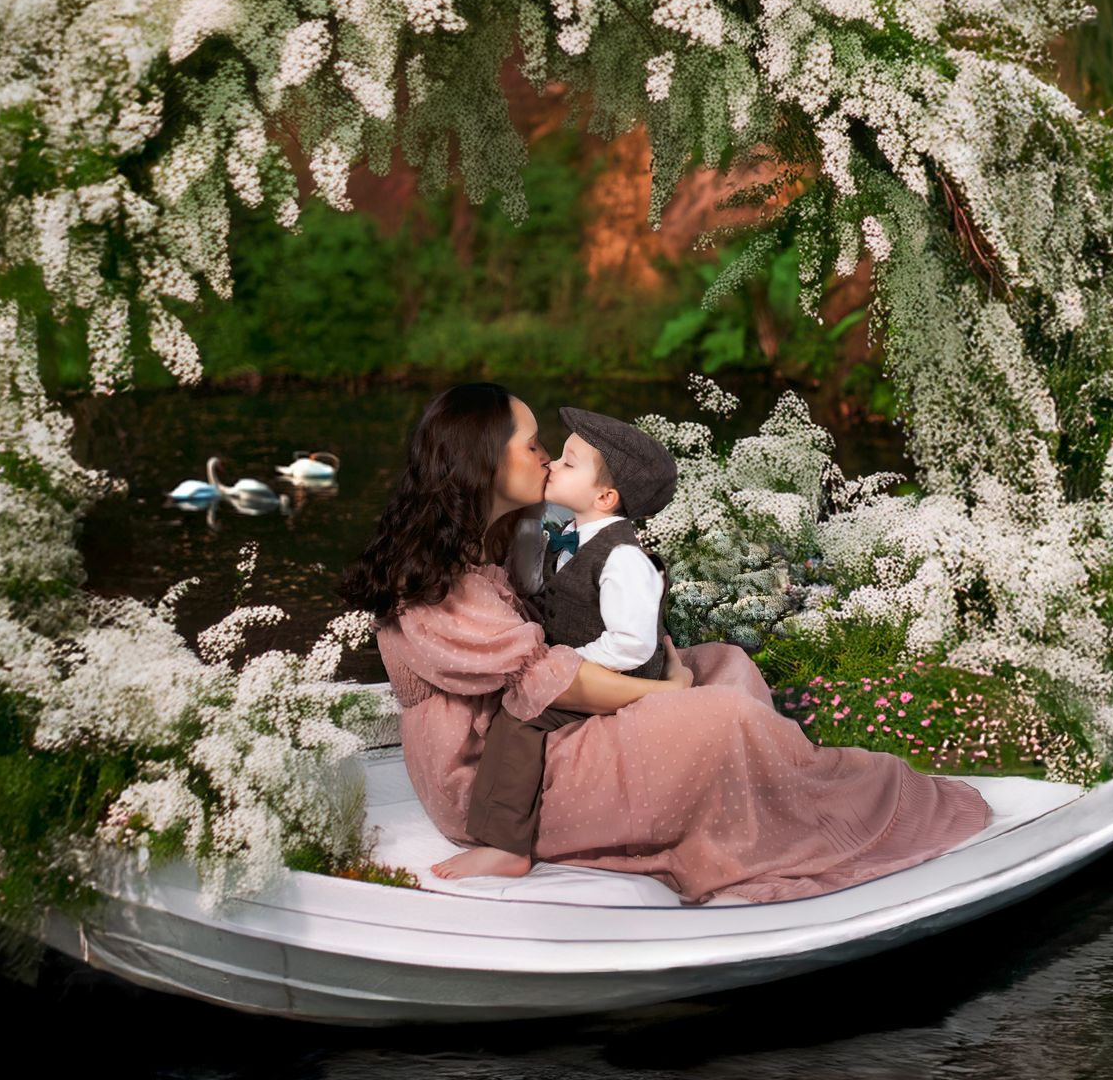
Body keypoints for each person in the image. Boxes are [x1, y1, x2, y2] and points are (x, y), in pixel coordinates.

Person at [338, 383, 992, 903]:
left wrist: (657, 651)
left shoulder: (508, 533)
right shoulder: (432, 587)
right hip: (496, 779)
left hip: (544, 726)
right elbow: (552, 681)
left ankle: (788, 790)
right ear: (482, 460)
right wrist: (665, 692)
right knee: (717, 716)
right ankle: (807, 802)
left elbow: (581, 617)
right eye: (532, 445)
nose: (545, 457)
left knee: (727, 664)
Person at [455, 407, 678, 877]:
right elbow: (546, 589)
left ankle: (507, 845)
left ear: (605, 496)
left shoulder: (623, 558)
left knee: (520, 717)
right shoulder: (573, 535)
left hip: (617, 676)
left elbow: (633, 645)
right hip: (582, 664)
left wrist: (567, 661)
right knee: (516, 700)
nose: (552, 463)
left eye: (568, 462)